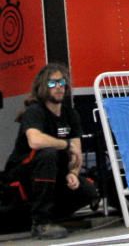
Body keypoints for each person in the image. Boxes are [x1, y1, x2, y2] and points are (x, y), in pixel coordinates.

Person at [2, 64, 98, 239]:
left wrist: (74, 173)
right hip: (23, 176)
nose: (59, 87)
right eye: (53, 83)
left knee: (88, 190)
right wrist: (65, 145)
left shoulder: (71, 114)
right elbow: (35, 140)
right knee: (48, 153)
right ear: (43, 88)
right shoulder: (35, 111)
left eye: (62, 82)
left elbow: (77, 152)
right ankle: (41, 223)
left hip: (54, 173)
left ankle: (51, 218)